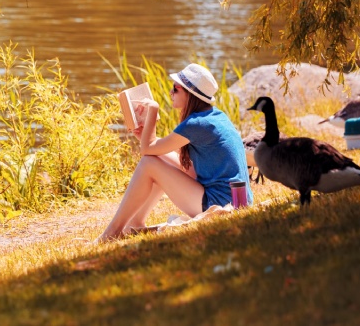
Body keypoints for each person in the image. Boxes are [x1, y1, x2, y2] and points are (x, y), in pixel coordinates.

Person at [98, 63, 252, 241]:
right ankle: (136, 223)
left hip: (219, 204)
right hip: (235, 200)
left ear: (190, 94)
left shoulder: (196, 124)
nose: (171, 93)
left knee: (148, 164)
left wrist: (153, 110)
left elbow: (147, 150)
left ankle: (113, 231)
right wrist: (146, 139)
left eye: (175, 89)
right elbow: (158, 151)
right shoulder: (213, 117)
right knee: (154, 159)